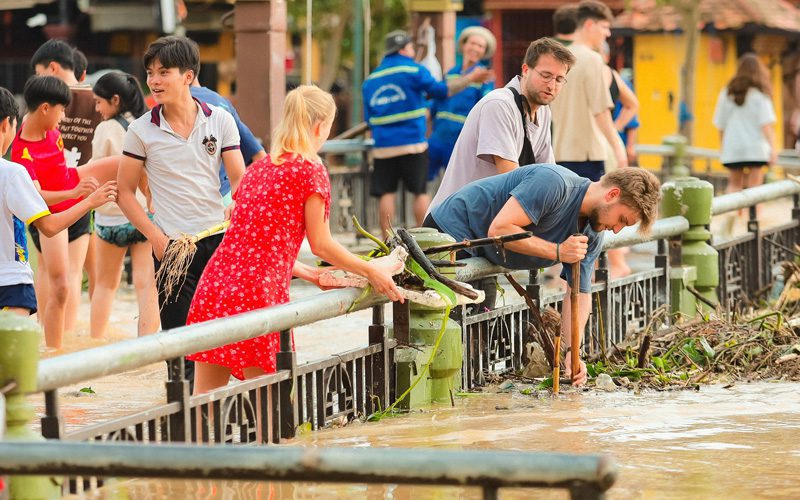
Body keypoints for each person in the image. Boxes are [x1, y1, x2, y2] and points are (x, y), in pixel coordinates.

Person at [186, 85, 402, 394]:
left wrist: (311, 273)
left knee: (202, 403)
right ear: (320, 126)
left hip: (215, 287)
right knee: (273, 407)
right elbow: (322, 245)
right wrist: (372, 271)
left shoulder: (259, 169)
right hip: (257, 294)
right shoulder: (311, 170)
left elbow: (253, 244)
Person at [424, 164, 661, 385]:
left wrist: (572, 352)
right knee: (449, 333)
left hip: (482, 253)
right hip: (449, 236)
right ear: (612, 194)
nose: (617, 230)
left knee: (476, 336)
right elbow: (500, 229)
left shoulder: (593, 233)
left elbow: (578, 292)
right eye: (621, 219)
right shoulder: (554, 183)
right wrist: (558, 251)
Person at [117, 36, 246, 385]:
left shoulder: (219, 120)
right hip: (173, 249)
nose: (154, 81)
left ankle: (221, 424)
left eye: (164, 72)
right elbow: (125, 193)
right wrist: (155, 237)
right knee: (179, 346)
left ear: (188, 76)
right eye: (150, 73)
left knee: (228, 339)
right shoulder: (141, 130)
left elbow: (240, 180)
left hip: (219, 243)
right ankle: (185, 427)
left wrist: (239, 211)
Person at [10, 76, 120, 348]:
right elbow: (36, 196)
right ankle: (53, 351)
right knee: (60, 287)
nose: (62, 118)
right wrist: (75, 193)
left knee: (123, 161)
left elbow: (61, 174)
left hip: (76, 201)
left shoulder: (54, 134)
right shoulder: (22, 149)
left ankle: (148, 207)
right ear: (46, 108)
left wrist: (76, 190)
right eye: (61, 110)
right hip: (51, 216)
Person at [362, 30, 492, 236]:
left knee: (386, 193)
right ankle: (425, 238)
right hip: (413, 142)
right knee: (420, 191)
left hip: (383, 146)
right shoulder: (415, 70)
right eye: (412, 48)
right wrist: (470, 79)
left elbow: (369, 119)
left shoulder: (371, 80)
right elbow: (440, 92)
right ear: (404, 49)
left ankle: (387, 241)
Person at [429, 37, 575, 210]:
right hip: (454, 221)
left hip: (487, 219)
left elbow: (548, 175)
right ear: (526, 70)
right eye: (546, 75)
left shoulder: (543, 111)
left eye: (559, 79)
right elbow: (512, 180)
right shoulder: (499, 104)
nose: (551, 85)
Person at [89, 71, 159, 339]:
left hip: (110, 217)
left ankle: (96, 343)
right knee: (146, 284)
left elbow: (97, 171)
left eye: (99, 102)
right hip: (141, 215)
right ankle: (147, 344)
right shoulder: (143, 125)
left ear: (115, 100)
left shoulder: (105, 129)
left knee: (106, 285)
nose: (97, 108)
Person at [550, 0, 628, 183]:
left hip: (560, 150)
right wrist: (617, 146)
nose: (607, 33)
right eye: (604, 27)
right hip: (588, 154)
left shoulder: (560, 57)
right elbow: (600, 109)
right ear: (589, 25)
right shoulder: (592, 59)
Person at [427, 26, 496, 182]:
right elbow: (436, 104)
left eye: (481, 46)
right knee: (425, 186)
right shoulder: (450, 73)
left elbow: (486, 110)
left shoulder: (484, 79)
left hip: (461, 142)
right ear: (464, 45)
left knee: (457, 186)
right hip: (437, 138)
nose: (475, 48)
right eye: (473, 43)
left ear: (484, 52)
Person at [190, 75, 266, 203]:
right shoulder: (222, 103)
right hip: (227, 198)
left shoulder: (169, 106)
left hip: (187, 205)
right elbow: (259, 155)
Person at [713, 53, 776, 195]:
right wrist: (773, 149)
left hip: (733, 147)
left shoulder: (726, 93)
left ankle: (735, 215)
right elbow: (766, 125)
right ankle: (752, 216)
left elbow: (720, 124)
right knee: (755, 187)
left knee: (734, 184)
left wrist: (723, 145)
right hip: (756, 148)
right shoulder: (760, 95)